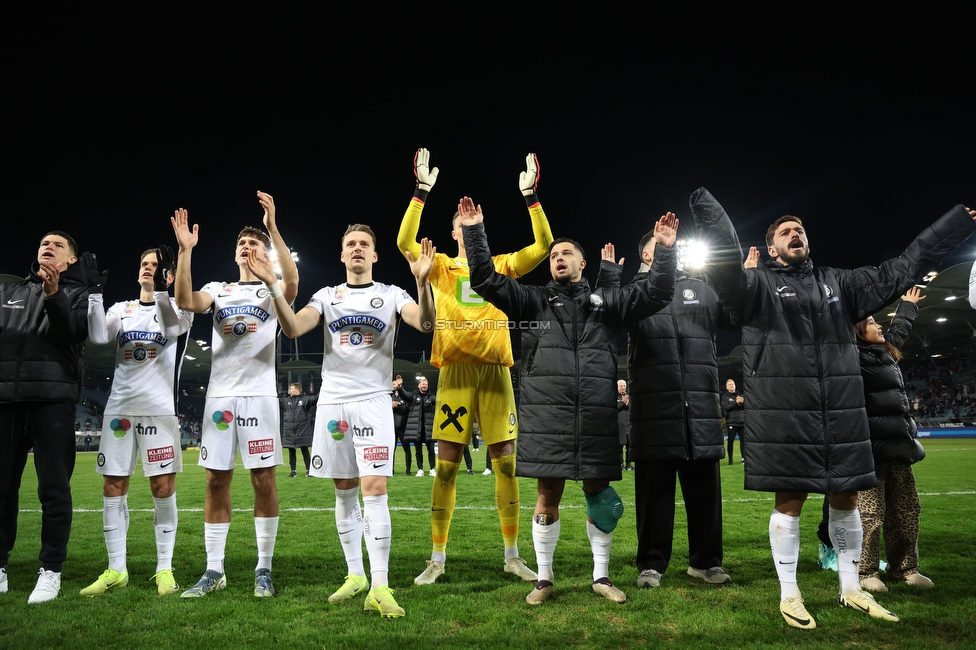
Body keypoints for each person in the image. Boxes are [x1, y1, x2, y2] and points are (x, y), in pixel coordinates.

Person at [693, 188, 976, 629]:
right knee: (791, 501)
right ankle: (790, 595)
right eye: (786, 231)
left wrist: (953, 225)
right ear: (771, 248)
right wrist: (710, 211)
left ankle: (851, 588)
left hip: (842, 411)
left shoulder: (839, 283)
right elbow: (728, 272)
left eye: (800, 230)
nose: (795, 234)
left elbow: (900, 269)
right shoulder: (758, 287)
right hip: (786, 412)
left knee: (845, 498)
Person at [461, 197, 677, 605]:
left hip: (595, 416)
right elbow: (486, 280)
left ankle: (601, 577)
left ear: (582, 264)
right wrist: (474, 233)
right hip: (548, 418)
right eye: (555, 254)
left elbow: (657, 291)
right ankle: (544, 580)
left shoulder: (607, 305)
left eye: (567, 254)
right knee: (547, 500)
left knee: (605, 502)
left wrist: (665, 251)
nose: (559, 258)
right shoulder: (533, 301)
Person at [248, 223, 435, 619]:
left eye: (364, 244)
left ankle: (381, 584)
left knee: (375, 486)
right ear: (342, 254)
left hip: (373, 402)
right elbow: (293, 327)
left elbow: (426, 324)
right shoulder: (327, 296)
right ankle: (355, 575)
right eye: (350, 243)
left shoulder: (391, 294)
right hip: (334, 405)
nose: (357, 249)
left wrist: (422, 283)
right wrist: (273, 287)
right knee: (345, 490)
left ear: (375, 255)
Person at [398, 149, 551, 586]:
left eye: (473, 223)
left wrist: (530, 196)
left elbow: (542, 247)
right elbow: (404, 243)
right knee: (445, 466)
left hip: (496, 372)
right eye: (460, 223)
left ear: (478, 228)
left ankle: (512, 555)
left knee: (505, 464)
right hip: (456, 374)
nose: (466, 224)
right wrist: (420, 192)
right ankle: (437, 558)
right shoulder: (442, 266)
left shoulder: (501, 266)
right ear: (452, 232)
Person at [597, 215, 738, 592]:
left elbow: (736, 315)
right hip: (654, 413)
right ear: (648, 252)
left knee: (705, 495)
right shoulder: (635, 294)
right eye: (663, 243)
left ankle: (706, 562)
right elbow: (607, 314)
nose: (672, 247)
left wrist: (741, 279)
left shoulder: (702, 288)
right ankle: (651, 563)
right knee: (654, 496)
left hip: (702, 411)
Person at [171, 192, 299, 599]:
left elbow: (293, 283)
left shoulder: (272, 290)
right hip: (220, 399)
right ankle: (214, 570)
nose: (247, 247)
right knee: (214, 481)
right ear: (234, 255)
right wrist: (184, 252)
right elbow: (185, 301)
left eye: (254, 243)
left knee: (263, 481)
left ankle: (263, 569)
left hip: (259, 397)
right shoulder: (219, 289)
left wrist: (273, 229)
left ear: (265, 254)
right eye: (242, 244)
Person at [81, 245, 193, 597]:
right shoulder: (122, 309)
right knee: (113, 488)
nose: (148, 268)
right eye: (144, 264)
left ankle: (164, 568)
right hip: (119, 411)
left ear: (169, 276)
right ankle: (116, 568)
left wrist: (163, 290)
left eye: (156, 266)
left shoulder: (177, 307)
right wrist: (95, 296)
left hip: (158, 411)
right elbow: (99, 335)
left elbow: (173, 328)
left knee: (162, 488)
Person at [0, 231, 101, 604]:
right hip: (7, 400)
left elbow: (75, 332)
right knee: (1, 488)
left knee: (54, 490)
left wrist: (55, 295)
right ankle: (0, 566)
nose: (47, 246)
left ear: (71, 259)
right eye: (43, 242)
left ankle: (51, 570)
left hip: (53, 399)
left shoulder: (80, 295)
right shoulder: (9, 293)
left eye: (57, 245)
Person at [853, 288, 933, 591]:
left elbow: (897, 332)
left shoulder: (884, 353)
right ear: (859, 333)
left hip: (899, 446)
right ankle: (866, 572)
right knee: (870, 515)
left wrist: (908, 306)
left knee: (906, 509)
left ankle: (905, 568)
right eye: (872, 323)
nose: (879, 326)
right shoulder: (853, 357)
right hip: (870, 450)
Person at [280, 383, 316, 478]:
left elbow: (316, 399)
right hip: (289, 431)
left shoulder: (305, 399)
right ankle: (293, 471)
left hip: (302, 430)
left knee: (305, 450)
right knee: (291, 451)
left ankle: (309, 470)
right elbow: (273, 401)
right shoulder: (285, 400)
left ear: (297, 390)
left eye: (291, 389)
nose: (289, 391)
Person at [402, 377, 436, 477]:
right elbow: (405, 395)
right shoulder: (413, 396)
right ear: (419, 385)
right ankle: (420, 469)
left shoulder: (431, 396)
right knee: (418, 451)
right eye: (423, 384)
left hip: (428, 429)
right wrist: (400, 388)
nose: (425, 386)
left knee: (431, 450)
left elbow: (439, 401)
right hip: (417, 429)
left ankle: (432, 469)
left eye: (426, 384)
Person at [391, 375, 412, 475]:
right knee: (391, 451)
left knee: (407, 449)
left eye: (396, 384)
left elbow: (407, 409)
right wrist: (390, 405)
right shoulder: (388, 396)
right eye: (393, 384)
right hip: (391, 428)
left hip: (403, 427)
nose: (395, 385)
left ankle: (408, 470)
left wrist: (398, 404)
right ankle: (391, 471)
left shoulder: (404, 396)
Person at [722, 379, 745, 465]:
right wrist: (736, 403)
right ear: (727, 387)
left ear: (735, 386)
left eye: (733, 384)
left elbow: (747, 406)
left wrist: (742, 402)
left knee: (743, 441)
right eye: (730, 384)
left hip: (742, 422)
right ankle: (730, 459)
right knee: (731, 441)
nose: (732, 386)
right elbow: (725, 408)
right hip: (732, 422)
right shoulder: (725, 397)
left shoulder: (741, 395)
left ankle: (743, 458)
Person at [616, 380, 631, 471]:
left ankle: (629, 464)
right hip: (619, 426)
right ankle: (620, 464)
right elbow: (615, 408)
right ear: (617, 387)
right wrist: (622, 403)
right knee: (620, 446)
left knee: (629, 447)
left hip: (628, 425)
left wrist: (628, 403)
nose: (623, 387)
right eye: (621, 386)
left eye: (624, 386)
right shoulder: (615, 397)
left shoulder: (629, 397)